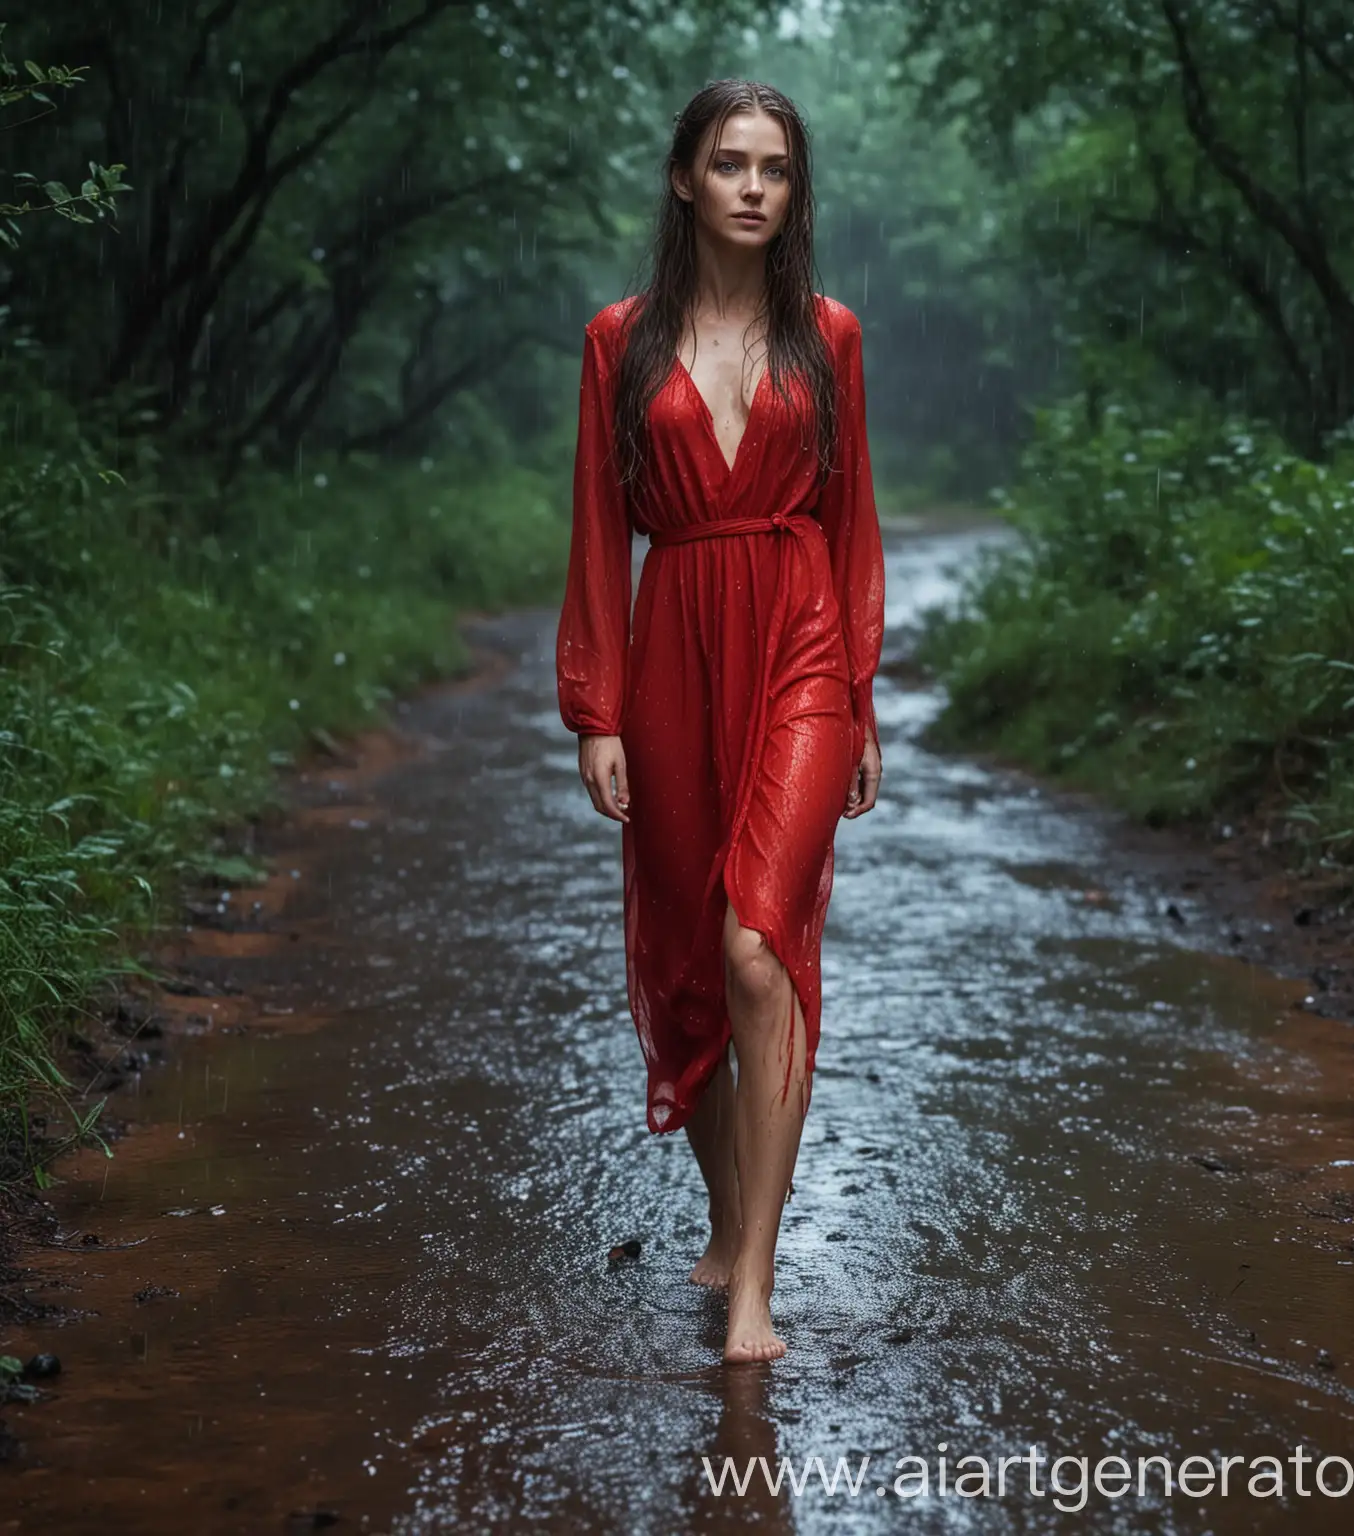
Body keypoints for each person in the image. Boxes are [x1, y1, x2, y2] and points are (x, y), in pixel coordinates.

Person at [554, 78, 885, 1365]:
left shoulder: (833, 338)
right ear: (685, 179)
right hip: (671, 651)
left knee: (761, 947)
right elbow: (596, 526)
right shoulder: (617, 342)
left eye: (779, 168)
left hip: (800, 638)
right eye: (732, 163)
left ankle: (754, 1279)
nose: (757, 186)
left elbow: (853, 529)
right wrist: (597, 709)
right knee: (695, 967)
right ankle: (726, 1211)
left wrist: (860, 700)